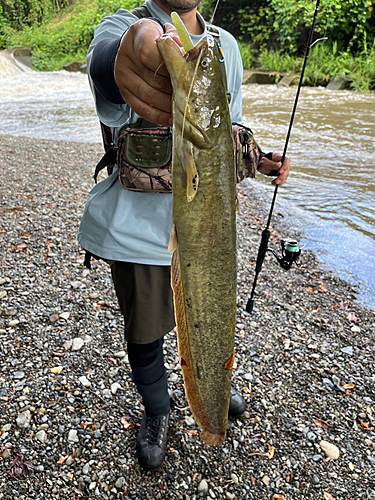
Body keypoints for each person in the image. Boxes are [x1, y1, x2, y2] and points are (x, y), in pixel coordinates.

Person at [78, 0, 291, 471]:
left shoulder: (225, 46)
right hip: (136, 229)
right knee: (146, 331)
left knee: (213, 322)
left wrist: (260, 159)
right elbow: (109, 65)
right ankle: (158, 409)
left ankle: (209, 385)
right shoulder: (121, 25)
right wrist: (128, 52)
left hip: (212, 229)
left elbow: (222, 129)